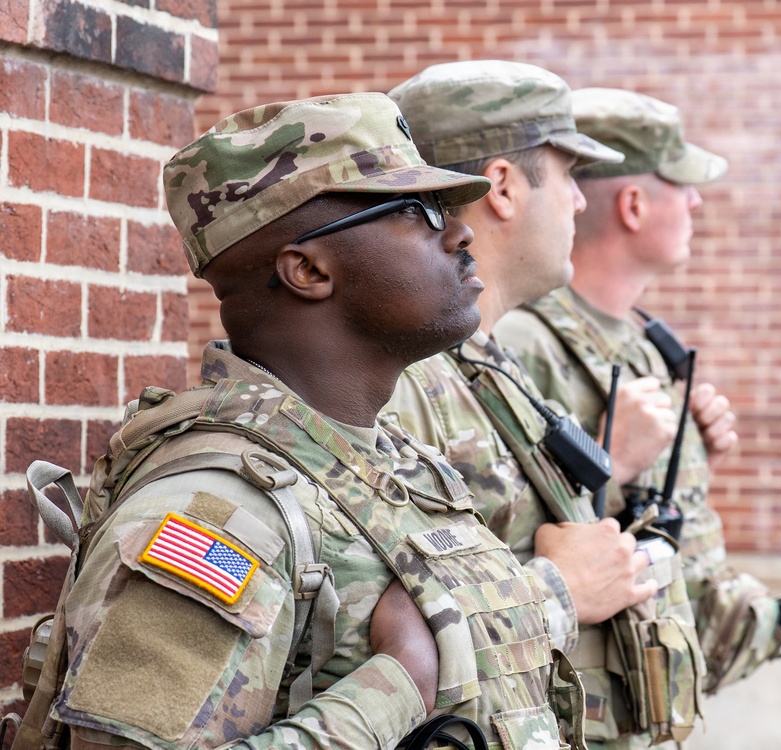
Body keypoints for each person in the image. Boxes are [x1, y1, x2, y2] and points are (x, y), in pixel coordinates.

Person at [42, 93, 587, 750]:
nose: (460, 232)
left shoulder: (392, 463)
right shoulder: (212, 514)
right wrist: (397, 686)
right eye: (418, 213)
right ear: (306, 269)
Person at [383, 62, 706, 748]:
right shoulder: (407, 376)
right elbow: (381, 620)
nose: (582, 201)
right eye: (566, 175)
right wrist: (560, 585)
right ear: (502, 186)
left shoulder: (490, 363)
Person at [496, 87, 781, 697]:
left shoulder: (639, 341)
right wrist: (620, 460)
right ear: (634, 205)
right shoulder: (520, 343)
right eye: (681, 185)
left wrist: (688, 462)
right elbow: (495, 542)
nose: (696, 201)